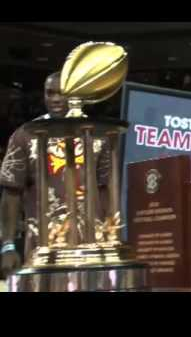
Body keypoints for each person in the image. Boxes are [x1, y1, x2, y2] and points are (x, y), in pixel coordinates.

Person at [0, 72, 110, 275]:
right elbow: (11, 192)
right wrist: (7, 245)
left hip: (91, 247)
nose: (56, 99)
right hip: (41, 248)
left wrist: (110, 239)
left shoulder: (99, 134)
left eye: (63, 93)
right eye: (50, 93)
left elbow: (107, 191)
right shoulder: (24, 135)